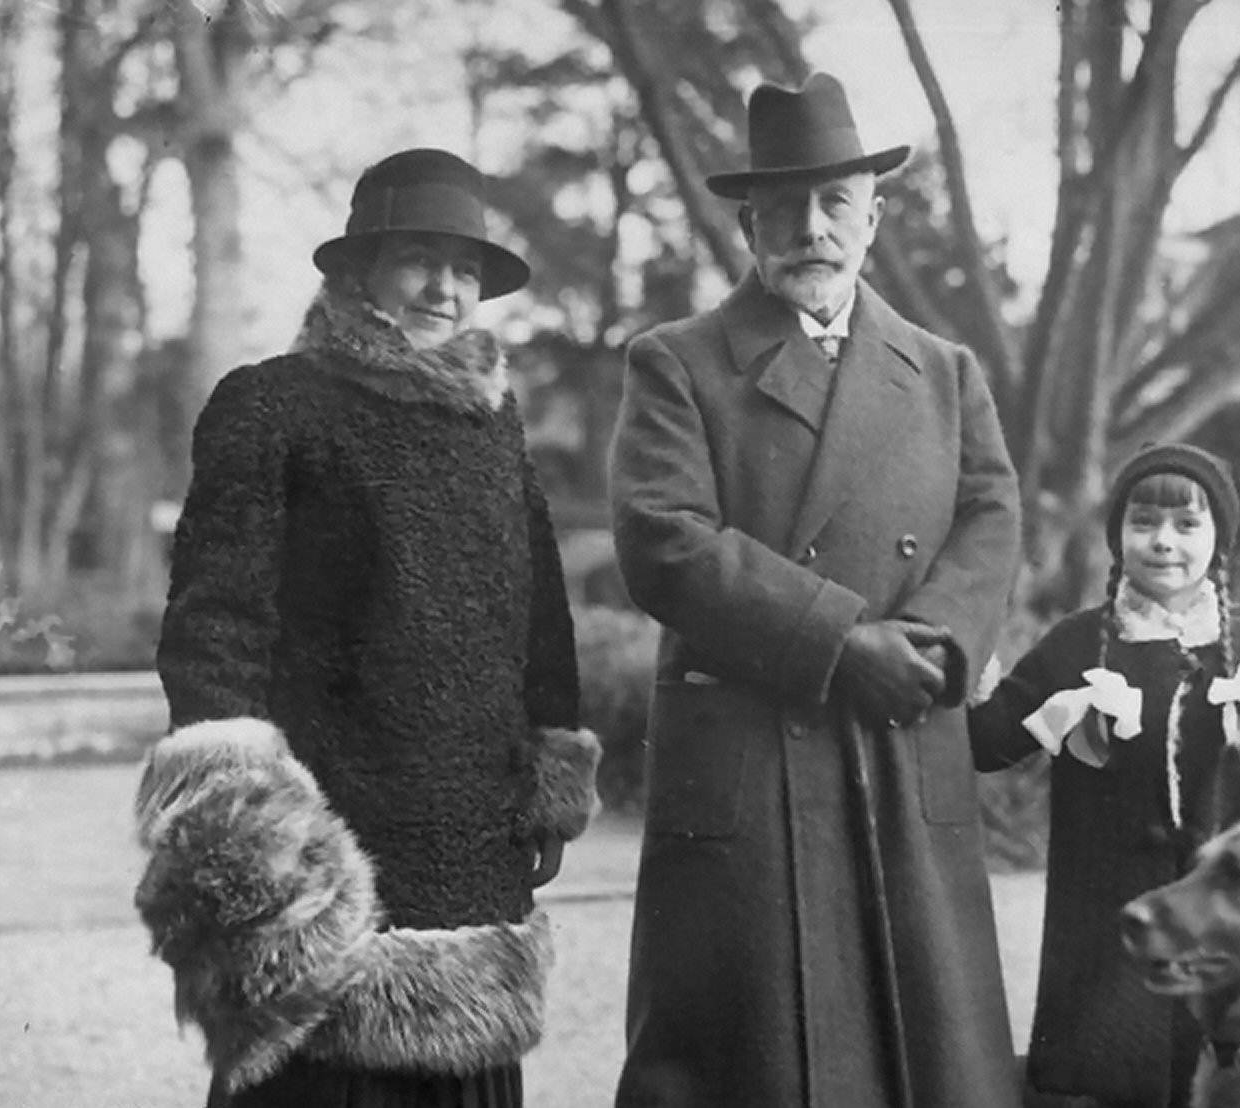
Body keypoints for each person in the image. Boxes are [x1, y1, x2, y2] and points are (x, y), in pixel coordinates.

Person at [132, 147, 601, 1108]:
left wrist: (547, 783)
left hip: (471, 849)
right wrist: (249, 841)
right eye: (421, 259)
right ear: (360, 273)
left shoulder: (495, 427)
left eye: (467, 269)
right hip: (327, 851)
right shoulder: (272, 405)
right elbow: (214, 625)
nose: (446, 288)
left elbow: (540, 616)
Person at [607, 72, 1024, 1108]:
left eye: (834, 202)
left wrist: (927, 641)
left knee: (923, 1057)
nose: (810, 229)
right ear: (748, 222)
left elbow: (991, 514)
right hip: (752, 753)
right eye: (783, 207)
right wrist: (840, 643)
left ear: (871, 218)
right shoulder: (677, 363)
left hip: (900, 735)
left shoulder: (941, 369)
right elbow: (662, 539)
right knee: (753, 1060)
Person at [968, 442, 1240, 1108]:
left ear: (1218, 542)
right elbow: (990, 744)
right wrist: (973, 672)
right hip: (1104, 927)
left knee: (1223, 1076)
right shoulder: (1075, 644)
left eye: (1187, 525)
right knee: (1112, 1078)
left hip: (1222, 927)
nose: (1163, 542)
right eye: (1143, 523)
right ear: (1119, 536)